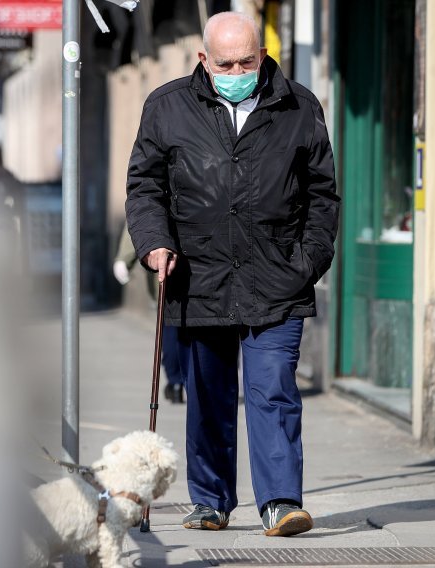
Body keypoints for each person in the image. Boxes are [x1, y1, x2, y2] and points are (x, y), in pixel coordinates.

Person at [125, 11, 340, 537]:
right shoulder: (167, 106)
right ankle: (211, 501)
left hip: (277, 277)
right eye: (227, 62)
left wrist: (307, 263)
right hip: (199, 276)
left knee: (273, 390)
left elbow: (322, 196)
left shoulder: (299, 106)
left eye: (248, 59)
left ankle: (281, 502)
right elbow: (145, 186)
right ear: (204, 59)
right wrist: (154, 244)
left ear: (262, 56)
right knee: (208, 394)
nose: (238, 69)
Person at [113, 222, 185, 403]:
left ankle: (176, 381)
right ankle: (182, 382)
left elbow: (141, 215)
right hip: (183, 269)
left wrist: (124, 258)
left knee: (171, 328)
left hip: (168, 273)